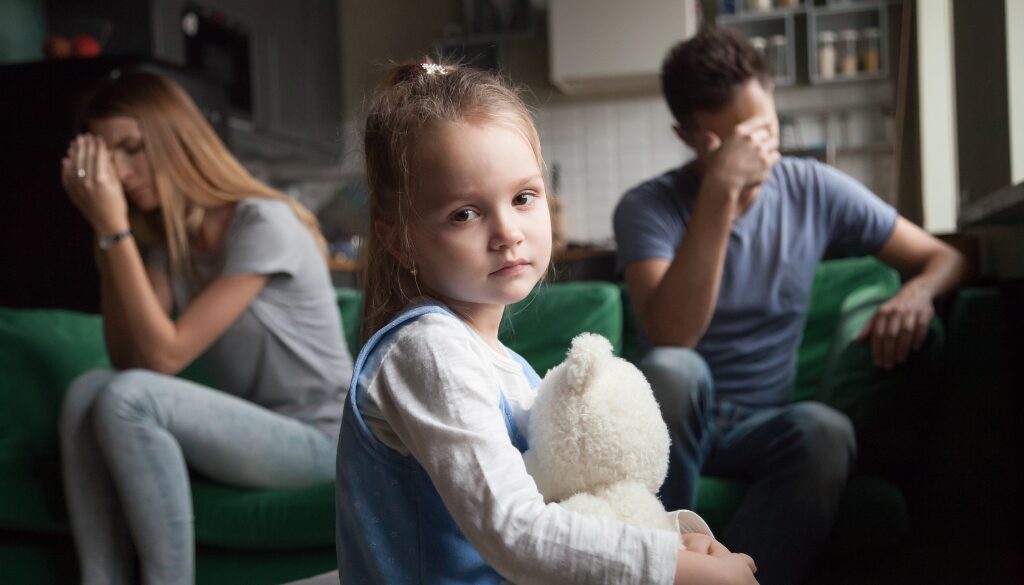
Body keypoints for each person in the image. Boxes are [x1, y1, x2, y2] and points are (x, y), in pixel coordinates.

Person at [334, 60, 759, 585]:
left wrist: (674, 539)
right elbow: (517, 532)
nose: (507, 232)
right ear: (400, 238)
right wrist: (672, 567)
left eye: (522, 197)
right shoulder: (427, 351)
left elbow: (563, 512)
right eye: (465, 213)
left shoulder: (509, 369)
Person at [613, 28, 967, 585]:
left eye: (765, 130)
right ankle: (666, 569)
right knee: (673, 369)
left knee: (825, 429)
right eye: (736, 141)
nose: (757, 153)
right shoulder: (646, 207)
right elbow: (673, 334)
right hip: (677, 423)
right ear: (689, 137)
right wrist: (719, 196)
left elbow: (944, 257)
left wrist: (916, 291)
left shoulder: (813, 189)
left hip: (762, 424)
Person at [58, 72, 353, 585]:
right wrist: (105, 234)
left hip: (327, 440)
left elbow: (164, 357)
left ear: (175, 139)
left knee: (129, 397)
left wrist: (113, 228)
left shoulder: (263, 224)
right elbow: (130, 357)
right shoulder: (167, 246)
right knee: (88, 391)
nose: (123, 173)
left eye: (132, 149)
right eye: (111, 160)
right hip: (255, 434)